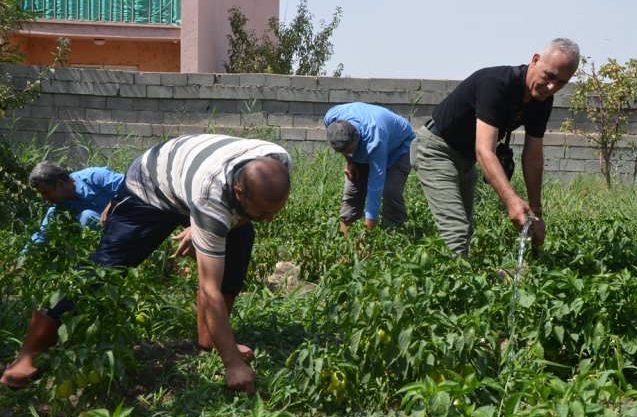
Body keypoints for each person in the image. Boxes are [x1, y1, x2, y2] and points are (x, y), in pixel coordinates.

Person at [0, 134, 293, 394]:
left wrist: (202, 226)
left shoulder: (278, 161)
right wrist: (234, 366)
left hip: (193, 183)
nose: (271, 219)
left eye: (275, 211)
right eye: (264, 212)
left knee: (239, 246)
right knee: (105, 267)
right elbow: (209, 288)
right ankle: (30, 354)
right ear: (239, 192)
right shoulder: (210, 199)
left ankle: (211, 342)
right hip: (150, 186)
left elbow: (231, 210)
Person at [410, 38, 580, 258]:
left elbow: (533, 156)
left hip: (466, 158)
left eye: (561, 83)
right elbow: (484, 150)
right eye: (549, 76)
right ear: (535, 60)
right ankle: (453, 290)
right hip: (437, 149)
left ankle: (453, 278)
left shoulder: (542, 100)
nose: (551, 87)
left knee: (465, 230)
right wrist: (512, 201)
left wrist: (536, 213)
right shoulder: (497, 84)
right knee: (456, 231)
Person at [324, 102, 415, 234]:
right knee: (352, 191)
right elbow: (346, 149)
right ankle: (345, 241)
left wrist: (366, 235)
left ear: (357, 136)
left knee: (390, 191)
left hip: (401, 146)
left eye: (350, 150)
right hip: (374, 142)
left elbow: (375, 188)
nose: (349, 154)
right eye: (344, 151)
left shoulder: (374, 142)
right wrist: (350, 162)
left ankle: (396, 236)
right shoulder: (331, 116)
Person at [24, 161, 125, 251]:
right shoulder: (58, 207)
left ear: (60, 184)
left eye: (46, 192)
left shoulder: (95, 176)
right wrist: (19, 263)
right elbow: (41, 236)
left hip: (132, 220)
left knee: (87, 216)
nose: (44, 198)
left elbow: (132, 185)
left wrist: (112, 204)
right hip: (113, 238)